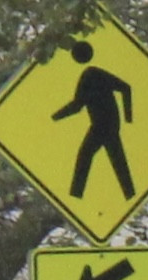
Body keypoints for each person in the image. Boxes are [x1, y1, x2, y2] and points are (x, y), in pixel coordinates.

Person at [53, 41, 135, 201]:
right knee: (118, 163)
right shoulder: (92, 74)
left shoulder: (90, 75)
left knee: (86, 156)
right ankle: (129, 194)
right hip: (108, 124)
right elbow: (78, 105)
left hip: (102, 126)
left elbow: (77, 105)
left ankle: (75, 196)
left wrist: (129, 118)